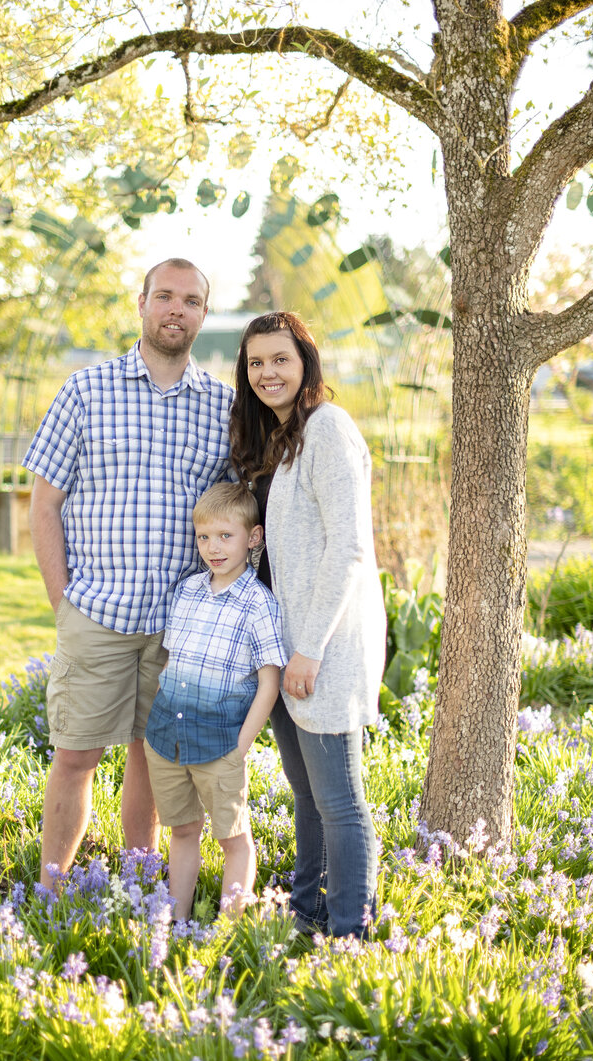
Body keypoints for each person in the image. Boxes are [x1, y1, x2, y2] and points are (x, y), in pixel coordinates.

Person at [22, 259, 233, 892]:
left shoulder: (221, 406)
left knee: (153, 759)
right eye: (164, 296)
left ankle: (139, 882)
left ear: (202, 314)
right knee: (77, 754)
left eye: (190, 300)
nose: (176, 309)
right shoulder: (86, 390)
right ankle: (52, 889)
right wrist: (64, 603)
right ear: (141, 303)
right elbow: (44, 503)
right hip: (99, 612)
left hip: (178, 623)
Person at [230, 311, 386, 939]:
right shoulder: (272, 438)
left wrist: (310, 650)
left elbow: (347, 547)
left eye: (281, 359)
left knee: (341, 801)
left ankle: (349, 934)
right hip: (283, 647)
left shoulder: (328, 429)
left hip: (323, 648)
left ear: (305, 364)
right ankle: (307, 916)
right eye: (256, 362)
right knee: (307, 796)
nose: (268, 372)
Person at [143, 482, 287, 919]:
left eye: (226, 536)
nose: (213, 547)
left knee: (233, 837)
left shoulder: (258, 604)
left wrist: (241, 746)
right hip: (168, 739)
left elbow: (269, 682)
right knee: (183, 830)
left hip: (221, 743)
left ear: (253, 537)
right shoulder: (186, 592)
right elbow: (176, 661)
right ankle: (177, 920)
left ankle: (227, 929)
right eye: (204, 537)